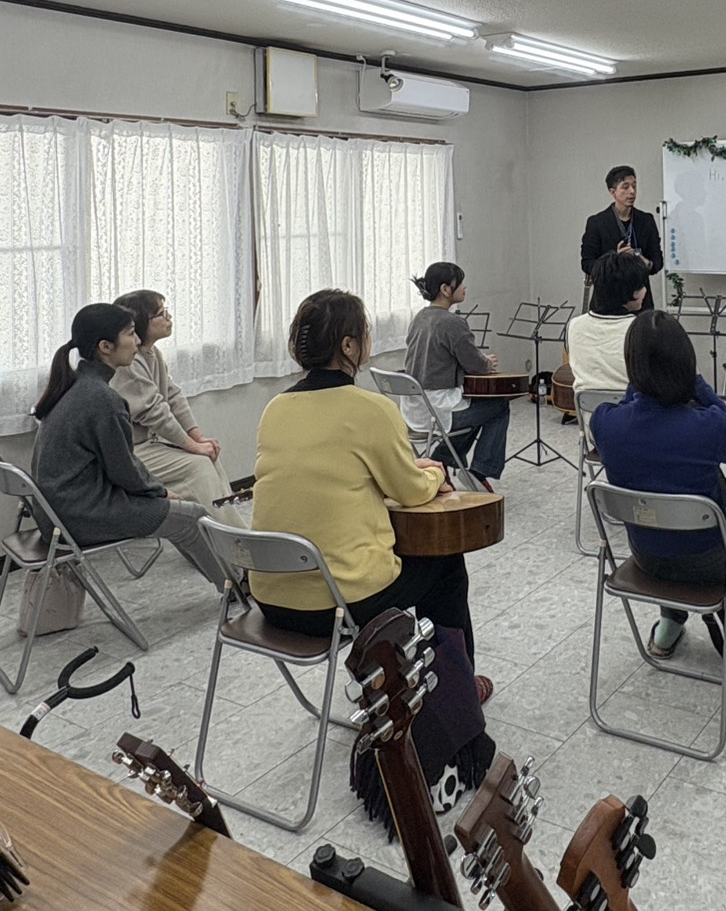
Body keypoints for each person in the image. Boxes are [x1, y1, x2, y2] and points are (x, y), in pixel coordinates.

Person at [250, 289, 489, 698]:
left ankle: (388, 677)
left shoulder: (276, 409)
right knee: (446, 565)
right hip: (338, 602)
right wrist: (436, 472)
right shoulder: (370, 409)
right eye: (365, 333)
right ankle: (456, 692)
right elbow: (411, 492)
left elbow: (334, 469)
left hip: (271, 597)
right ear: (348, 345)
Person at [591, 310, 726, 681]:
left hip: (646, 556)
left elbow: (632, 406)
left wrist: (643, 383)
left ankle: (668, 626)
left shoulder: (605, 422)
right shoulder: (704, 425)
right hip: (712, 559)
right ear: (686, 362)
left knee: (662, 505)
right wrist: (700, 388)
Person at [31, 303, 226, 592]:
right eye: (131, 334)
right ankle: (236, 587)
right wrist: (160, 492)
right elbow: (124, 471)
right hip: (79, 516)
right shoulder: (102, 399)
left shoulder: (75, 385)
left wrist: (158, 493)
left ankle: (231, 580)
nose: (137, 342)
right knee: (192, 516)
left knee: (181, 512)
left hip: (57, 514)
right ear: (105, 347)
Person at [111, 289, 244, 526]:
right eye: (161, 314)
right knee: (198, 465)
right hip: (132, 451)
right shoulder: (128, 363)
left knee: (210, 454)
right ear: (142, 323)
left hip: (148, 444)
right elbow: (155, 411)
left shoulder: (153, 354)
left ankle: (230, 529)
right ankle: (230, 538)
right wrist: (193, 447)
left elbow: (173, 396)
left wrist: (200, 439)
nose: (169, 317)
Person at [403, 263, 510, 487]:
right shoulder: (452, 322)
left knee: (475, 412)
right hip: (439, 410)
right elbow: (475, 364)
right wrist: (487, 363)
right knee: (498, 406)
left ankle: (442, 460)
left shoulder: (419, 318)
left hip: (414, 410)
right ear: (445, 289)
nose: (464, 287)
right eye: (460, 283)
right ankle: (478, 470)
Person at [580, 166, 663, 310]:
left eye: (634, 186)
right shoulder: (597, 223)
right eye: (625, 187)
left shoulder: (646, 220)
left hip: (640, 302)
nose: (632, 191)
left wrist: (645, 262)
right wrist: (615, 260)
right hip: (607, 302)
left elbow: (658, 262)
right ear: (613, 192)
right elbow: (587, 263)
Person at [565, 250, 647, 394]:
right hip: (632, 413)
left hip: (591, 414)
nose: (645, 291)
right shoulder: (641, 329)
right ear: (628, 291)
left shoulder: (574, 326)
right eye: (641, 286)